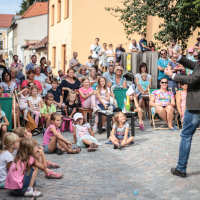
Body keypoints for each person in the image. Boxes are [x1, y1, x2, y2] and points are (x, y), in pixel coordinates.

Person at [164, 49, 200, 177]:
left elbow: (193, 79)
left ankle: (181, 169)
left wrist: (172, 75)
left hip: (196, 106)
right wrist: (178, 57)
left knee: (186, 135)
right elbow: (195, 65)